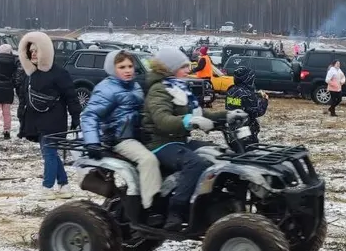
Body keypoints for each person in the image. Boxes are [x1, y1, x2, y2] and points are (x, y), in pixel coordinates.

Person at [142, 48, 217, 231]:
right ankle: (175, 211)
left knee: (216, 154)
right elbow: (163, 120)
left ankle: (209, 204)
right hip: (159, 143)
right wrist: (188, 121)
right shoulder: (159, 90)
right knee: (195, 164)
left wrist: (227, 115)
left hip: (178, 140)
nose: (188, 70)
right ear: (169, 69)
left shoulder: (178, 87)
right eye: (183, 67)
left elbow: (198, 113)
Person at [81, 50, 163, 214]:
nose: (128, 70)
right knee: (148, 160)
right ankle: (151, 209)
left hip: (136, 136)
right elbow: (89, 115)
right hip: (119, 138)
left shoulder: (135, 86)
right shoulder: (106, 89)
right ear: (112, 69)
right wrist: (92, 142)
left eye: (130, 66)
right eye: (122, 67)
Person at [18, 32, 82, 197]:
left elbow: (71, 96)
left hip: (54, 121)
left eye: (36, 50)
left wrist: (76, 116)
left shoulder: (59, 73)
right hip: (37, 121)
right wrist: (22, 117)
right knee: (50, 153)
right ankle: (64, 185)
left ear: (45, 51)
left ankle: (47, 187)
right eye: (30, 51)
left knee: (49, 153)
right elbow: (24, 97)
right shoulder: (30, 75)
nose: (32, 53)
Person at [225, 66, 269, 141]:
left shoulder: (230, 90)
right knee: (250, 150)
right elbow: (257, 112)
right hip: (246, 132)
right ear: (248, 79)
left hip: (232, 128)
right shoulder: (247, 94)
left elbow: (231, 107)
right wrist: (264, 100)